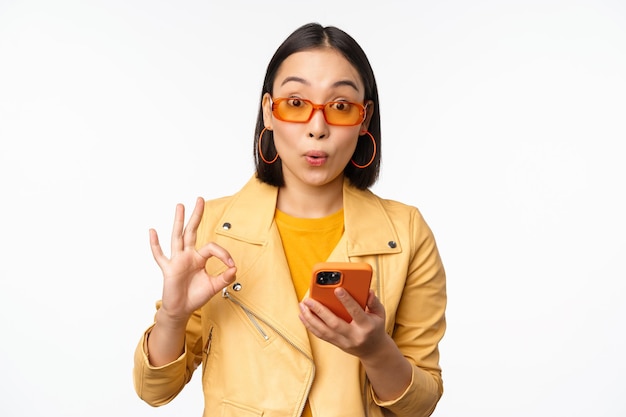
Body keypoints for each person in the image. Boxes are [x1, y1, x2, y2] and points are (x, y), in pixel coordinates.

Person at [133, 22, 447, 417]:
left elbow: (419, 405)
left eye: (340, 106)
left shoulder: (406, 233)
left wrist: (375, 349)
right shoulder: (212, 227)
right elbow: (154, 391)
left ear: (364, 119)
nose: (318, 128)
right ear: (269, 111)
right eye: (296, 103)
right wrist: (173, 316)